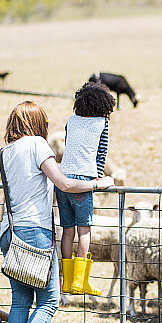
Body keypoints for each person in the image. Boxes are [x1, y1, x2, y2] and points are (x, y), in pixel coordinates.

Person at [0, 101, 113, 323]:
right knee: (49, 301)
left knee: (20, 302)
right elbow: (65, 184)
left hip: (8, 231)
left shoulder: (5, 152)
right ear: (38, 123)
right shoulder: (37, 145)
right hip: (35, 231)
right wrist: (99, 184)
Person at [55, 82, 116, 297]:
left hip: (62, 179)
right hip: (84, 180)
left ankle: (66, 281)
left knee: (67, 230)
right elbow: (101, 153)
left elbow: (69, 146)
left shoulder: (71, 121)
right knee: (84, 230)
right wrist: (99, 178)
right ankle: (81, 282)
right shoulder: (103, 123)